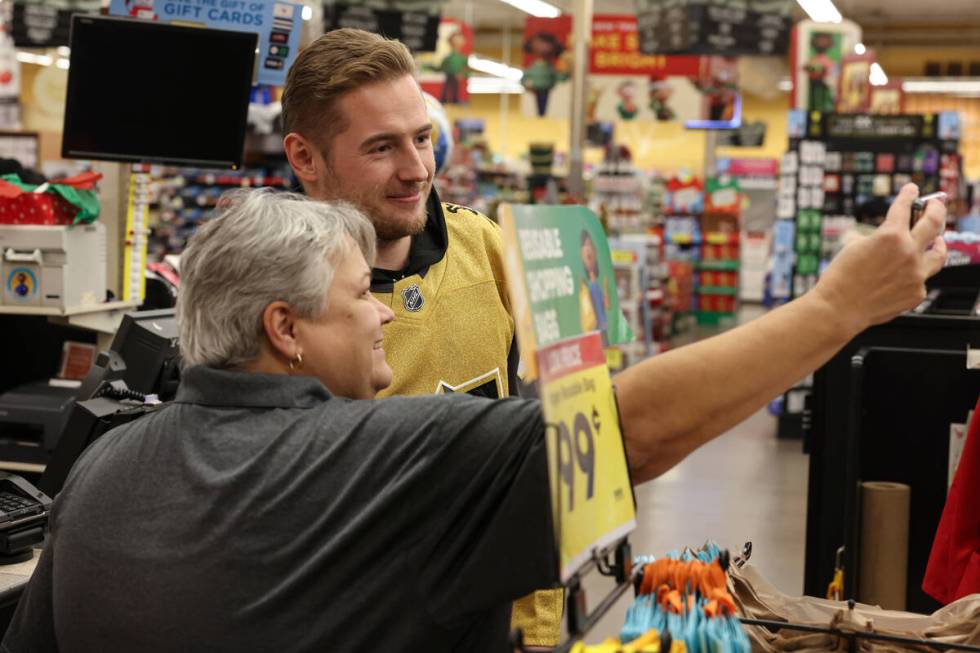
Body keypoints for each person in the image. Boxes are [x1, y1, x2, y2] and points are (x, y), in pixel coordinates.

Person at [2, 184, 948, 652]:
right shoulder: (386, 461)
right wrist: (837, 310)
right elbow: (632, 429)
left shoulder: (102, 469)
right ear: (283, 329)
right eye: (357, 294)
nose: (383, 309)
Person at [280, 28, 560, 643]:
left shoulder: (485, 246)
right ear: (305, 157)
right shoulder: (275, 301)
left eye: (423, 138)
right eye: (382, 148)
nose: (417, 170)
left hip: (513, 624)